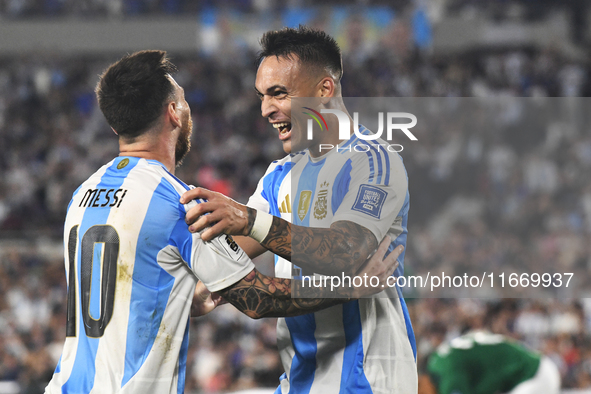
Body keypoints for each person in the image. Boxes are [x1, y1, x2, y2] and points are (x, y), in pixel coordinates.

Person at [44, 50, 402, 393]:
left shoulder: (82, 194)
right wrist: (348, 289)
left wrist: (200, 293)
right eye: (183, 101)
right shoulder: (179, 202)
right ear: (173, 112)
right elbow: (257, 298)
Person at [181, 26, 417, 393]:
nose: (265, 110)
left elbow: (345, 251)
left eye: (278, 94)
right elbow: (231, 249)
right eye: (262, 96)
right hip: (299, 380)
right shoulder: (280, 175)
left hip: (365, 378)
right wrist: (201, 284)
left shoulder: (373, 161)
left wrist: (247, 217)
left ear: (324, 90)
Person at [419, 330, 561, 394]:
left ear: (422, 379)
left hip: (535, 376)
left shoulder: (449, 376)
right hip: (530, 374)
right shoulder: (438, 362)